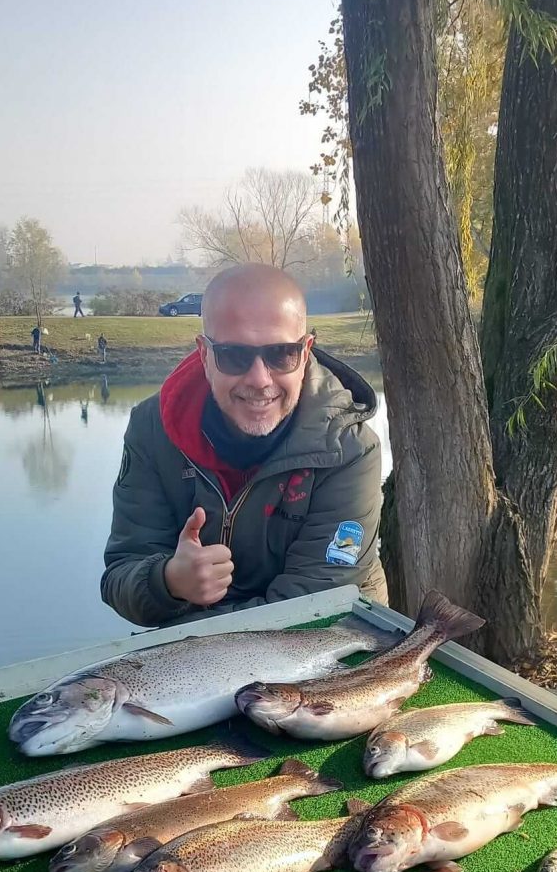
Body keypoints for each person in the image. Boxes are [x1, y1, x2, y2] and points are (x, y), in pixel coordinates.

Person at [101, 263, 387, 629]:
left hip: (331, 636)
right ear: (205, 355)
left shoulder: (350, 450)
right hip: (197, 647)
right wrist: (169, 582)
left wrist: (194, 625)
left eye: (281, 353)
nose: (259, 379)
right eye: (234, 355)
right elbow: (120, 574)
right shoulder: (151, 431)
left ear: (305, 352)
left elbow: (313, 605)